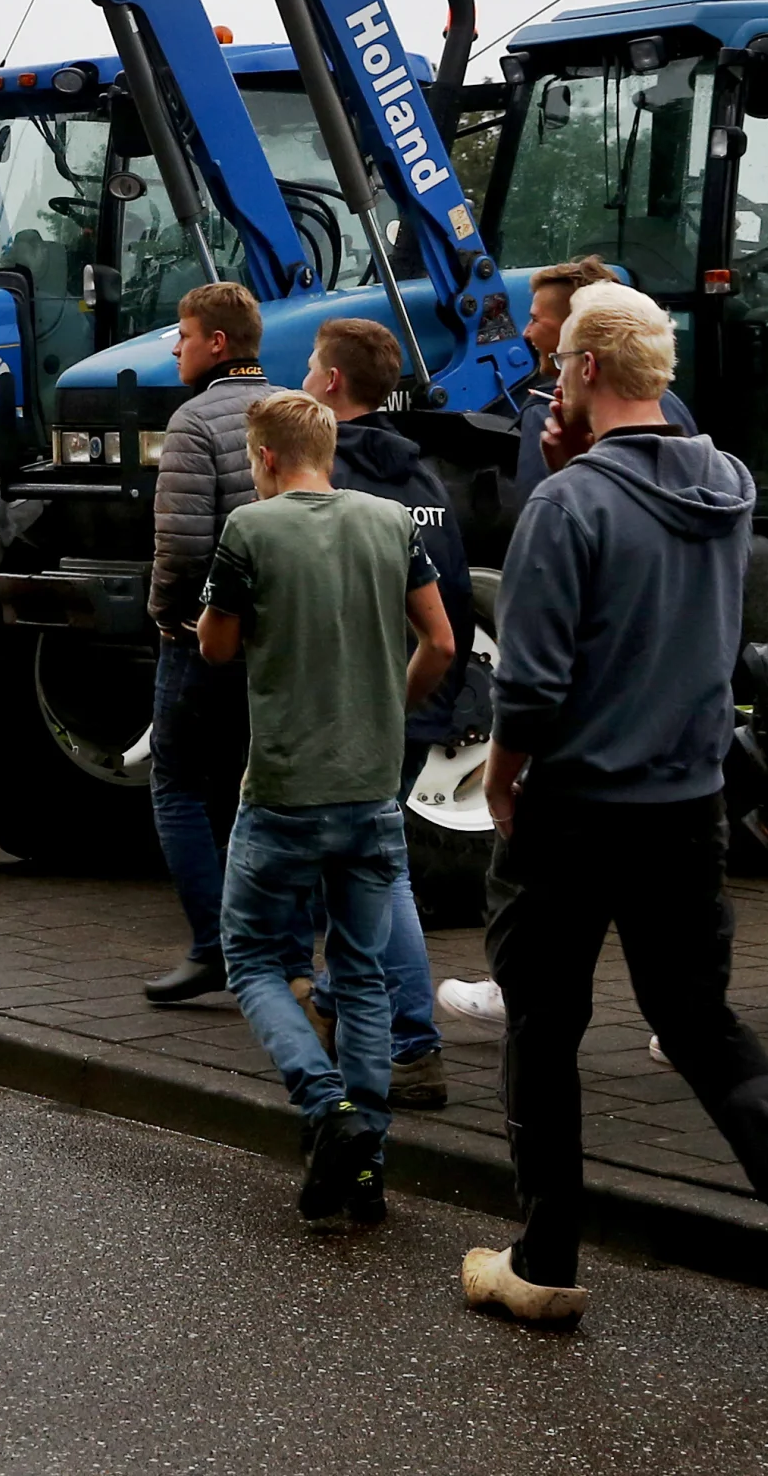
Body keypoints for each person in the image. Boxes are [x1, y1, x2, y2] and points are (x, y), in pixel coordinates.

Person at [465, 283, 768, 1354]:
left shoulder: (566, 507)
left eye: (561, 365)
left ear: (585, 371)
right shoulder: (729, 486)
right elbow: (650, 543)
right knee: (700, 1022)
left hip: (570, 808)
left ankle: (544, 1261)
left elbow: (532, 682)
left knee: (544, 1024)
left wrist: (501, 780)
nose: (553, 380)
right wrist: (581, 464)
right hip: (687, 806)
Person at [200, 388, 454, 1225]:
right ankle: (367, 1167)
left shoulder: (250, 529)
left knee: (251, 959)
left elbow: (216, 646)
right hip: (371, 787)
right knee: (365, 973)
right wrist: (392, 707)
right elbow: (441, 642)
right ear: (329, 451)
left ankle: (326, 1104)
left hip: (284, 789)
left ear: (266, 457)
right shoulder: (391, 523)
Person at [299, 315, 467, 1111]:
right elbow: (449, 604)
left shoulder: (330, 481)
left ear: (332, 382)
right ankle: (335, 1001)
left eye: (310, 367)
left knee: (376, 869)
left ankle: (411, 1043)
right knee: (358, 863)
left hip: (352, 709)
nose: (304, 378)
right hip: (417, 700)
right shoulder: (423, 476)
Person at [141, 282, 277, 1006]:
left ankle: (214, 947)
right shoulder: (293, 409)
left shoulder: (193, 421)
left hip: (202, 636)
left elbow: (185, 544)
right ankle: (273, 947)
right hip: (279, 639)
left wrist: (165, 615)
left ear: (217, 344)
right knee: (255, 788)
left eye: (185, 335)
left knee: (177, 784)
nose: (176, 348)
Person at [510, 257, 697, 506]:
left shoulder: (549, 414)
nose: (526, 333)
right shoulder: (668, 403)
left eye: (535, 320)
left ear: (573, 329)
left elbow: (533, 512)